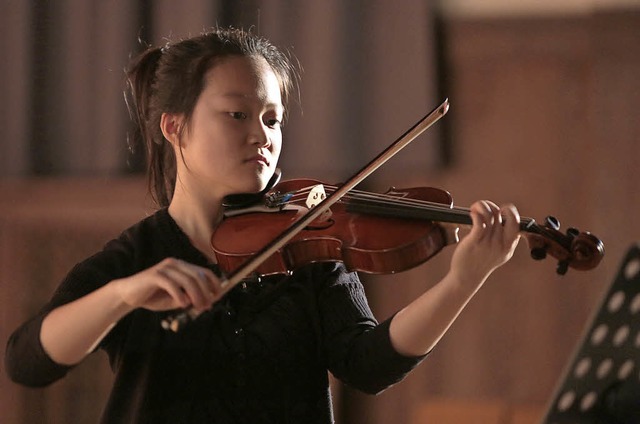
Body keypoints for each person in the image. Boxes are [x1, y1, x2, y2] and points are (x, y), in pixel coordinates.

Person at [4, 27, 521, 423]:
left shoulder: (307, 245)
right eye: (237, 115)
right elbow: (28, 362)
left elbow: (369, 364)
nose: (262, 135)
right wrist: (122, 296)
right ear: (174, 126)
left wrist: (462, 280)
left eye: (272, 119)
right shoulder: (135, 259)